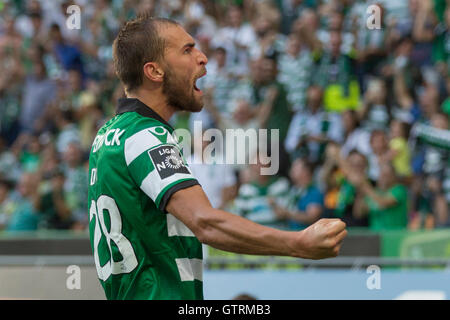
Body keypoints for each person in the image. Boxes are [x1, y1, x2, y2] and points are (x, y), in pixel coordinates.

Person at [88, 16, 347, 300]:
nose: (202, 58)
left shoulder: (108, 135)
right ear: (155, 71)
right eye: (187, 50)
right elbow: (205, 222)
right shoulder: (145, 136)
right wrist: (299, 243)